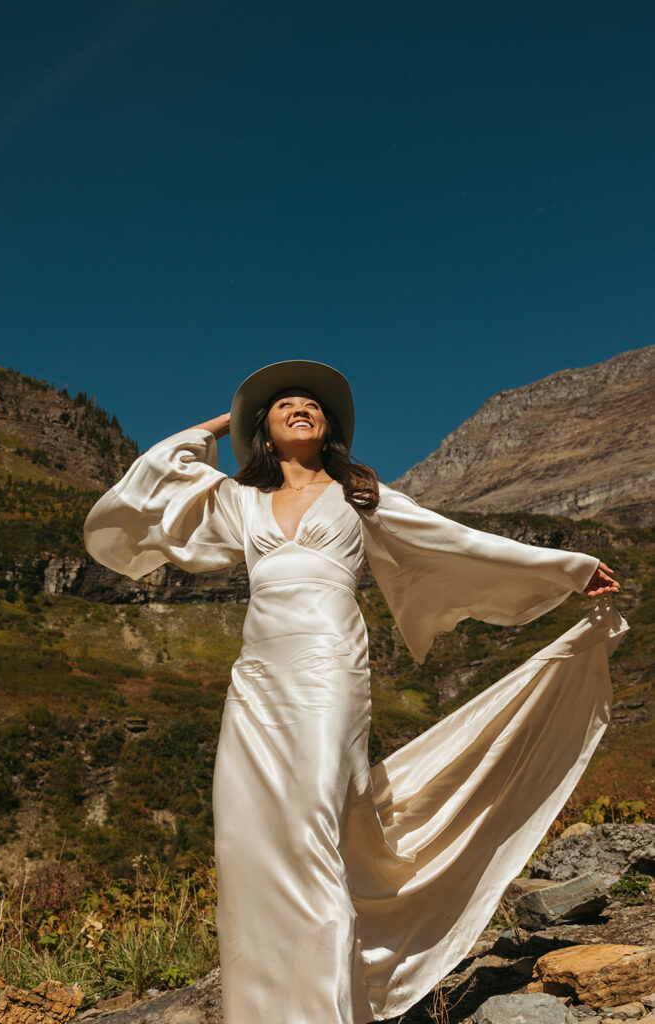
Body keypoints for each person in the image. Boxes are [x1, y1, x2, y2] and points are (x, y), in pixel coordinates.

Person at [83, 359, 627, 1024]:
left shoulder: (359, 494)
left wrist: (566, 568)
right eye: (284, 405)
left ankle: (325, 1007)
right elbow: (156, 478)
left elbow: (455, 541)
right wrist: (231, 415)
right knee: (248, 839)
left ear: (329, 426)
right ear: (263, 428)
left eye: (311, 404)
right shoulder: (237, 502)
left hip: (330, 671)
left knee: (315, 825)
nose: (300, 408)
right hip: (255, 681)